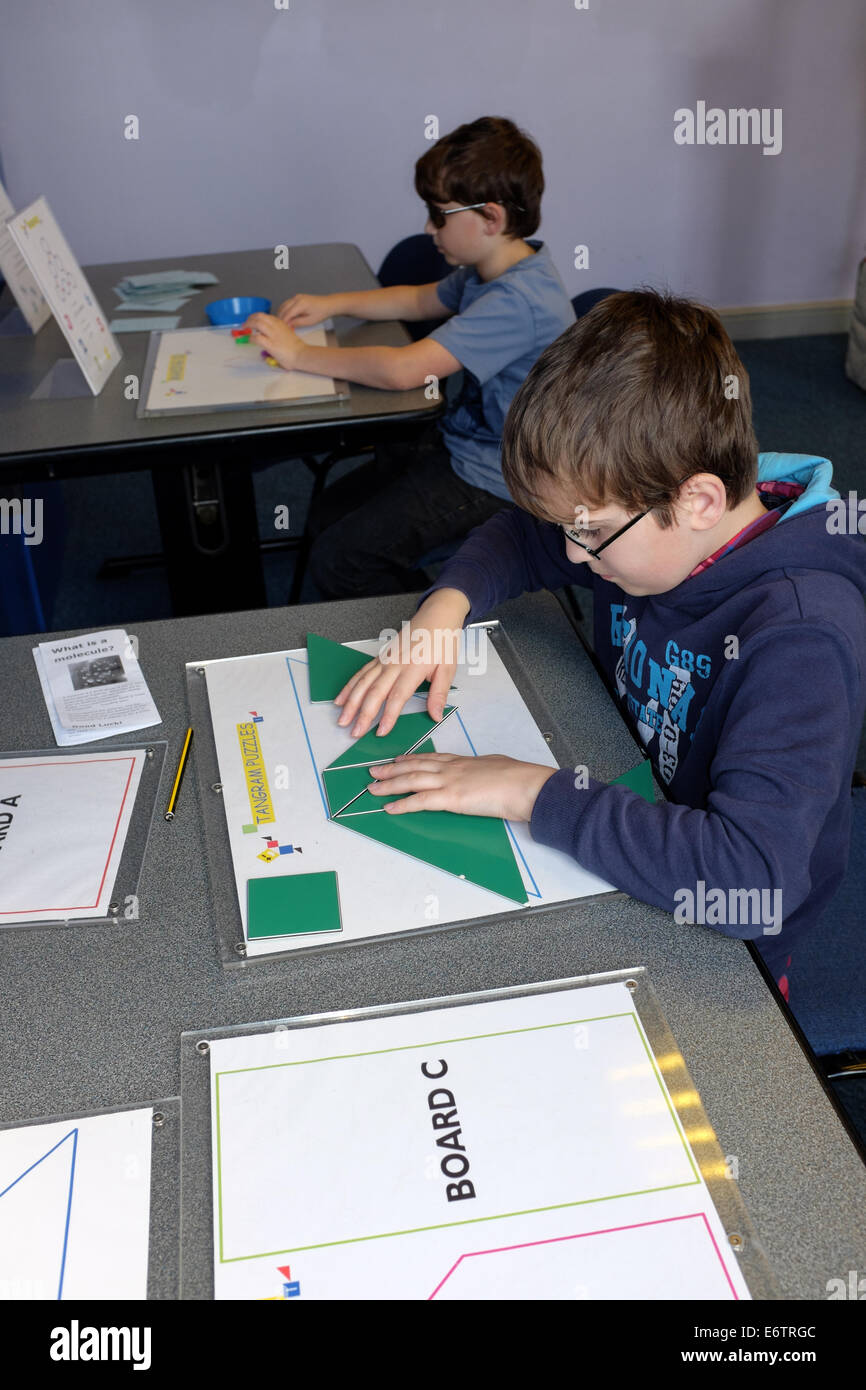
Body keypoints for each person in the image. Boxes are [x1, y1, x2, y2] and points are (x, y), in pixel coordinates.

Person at [328, 290, 866, 999]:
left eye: (588, 532)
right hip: (620, 797)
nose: (574, 555)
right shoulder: (646, 523)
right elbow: (522, 535)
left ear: (698, 501)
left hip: (722, 946)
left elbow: (752, 879)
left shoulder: (800, 637)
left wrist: (530, 792)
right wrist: (445, 608)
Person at [241, 116, 575, 598]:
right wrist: (332, 304)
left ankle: (442, 617)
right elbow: (419, 301)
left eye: (439, 215)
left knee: (340, 561)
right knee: (327, 517)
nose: (428, 227)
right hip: (463, 443)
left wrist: (299, 355)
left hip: (499, 478)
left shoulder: (519, 300)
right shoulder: (491, 267)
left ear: (491, 219)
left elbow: (405, 370)